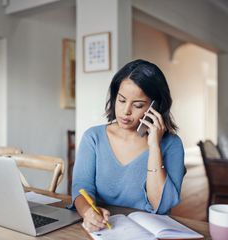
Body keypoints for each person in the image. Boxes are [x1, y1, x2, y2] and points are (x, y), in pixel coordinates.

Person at [71, 59, 185, 232]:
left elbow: (160, 207)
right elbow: (81, 188)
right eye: (121, 100)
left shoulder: (172, 145)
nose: (126, 112)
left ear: (156, 106)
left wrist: (154, 146)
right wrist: (88, 213)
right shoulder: (93, 137)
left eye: (138, 105)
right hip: (103, 230)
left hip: (148, 233)